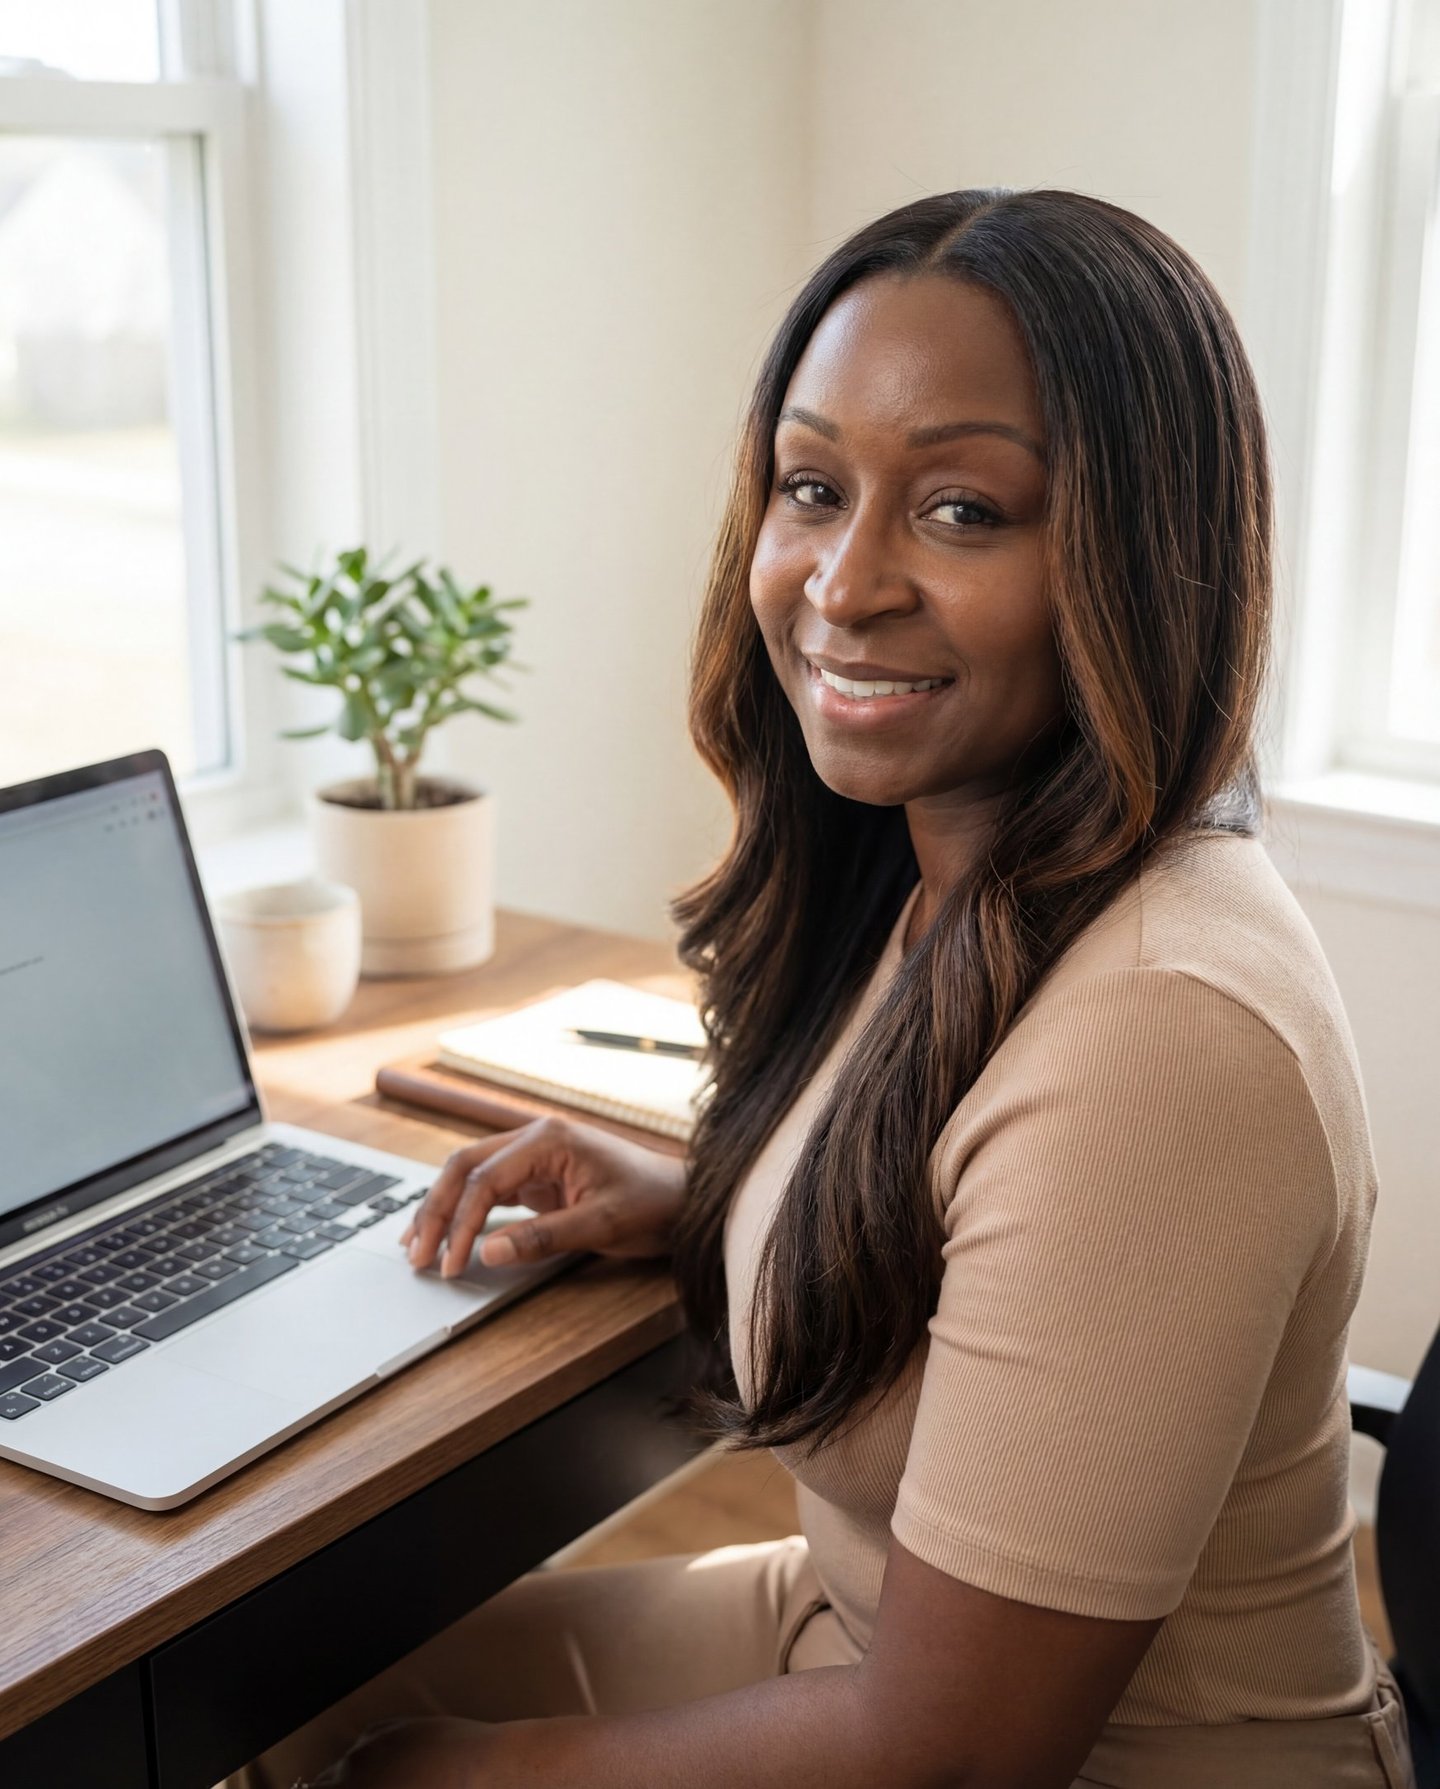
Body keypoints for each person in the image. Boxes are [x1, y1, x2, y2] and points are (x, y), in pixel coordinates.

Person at [231, 189, 1415, 1789]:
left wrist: (466, 1774)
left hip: (1088, 1756)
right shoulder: (953, 869)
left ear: (1145, 554)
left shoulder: (1164, 1022)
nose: (844, 584)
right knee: (274, 1704)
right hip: (857, 1630)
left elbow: (954, 1752)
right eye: (813, 487)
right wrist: (708, 1201)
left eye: (964, 509)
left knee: (374, 1755)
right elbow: (974, 1208)